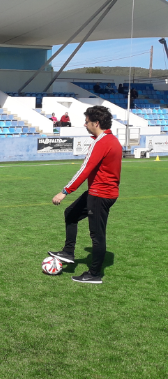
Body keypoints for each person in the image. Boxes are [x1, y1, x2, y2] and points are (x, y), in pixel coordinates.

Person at [48, 105, 122, 284]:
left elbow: (84, 170)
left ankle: (94, 274)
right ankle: (68, 252)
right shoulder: (112, 140)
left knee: (97, 235)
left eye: (87, 121)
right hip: (100, 192)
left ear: (96, 123)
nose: (84, 124)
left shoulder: (102, 142)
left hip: (100, 194)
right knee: (71, 214)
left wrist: (65, 191)